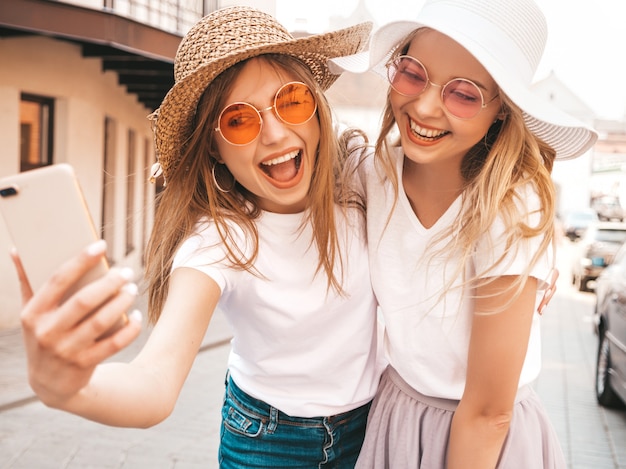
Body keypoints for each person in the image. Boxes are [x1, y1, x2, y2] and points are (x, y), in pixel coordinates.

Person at [13, 7, 380, 468]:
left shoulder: (363, 179)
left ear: (316, 108)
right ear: (215, 147)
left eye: (291, 100)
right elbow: (153, 384)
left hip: (372, 426)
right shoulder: (219, 241)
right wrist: (66, 387)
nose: (274, 133)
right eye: (239, 121)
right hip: (267, 440)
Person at [329, 0, 597, 467]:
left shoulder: (508, 206)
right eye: (412, 72)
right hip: (396, 415)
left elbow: (490, 411)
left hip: (482, 439)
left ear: (500, 110)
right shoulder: (371, 173)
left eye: (464, 94)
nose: (426, 106)